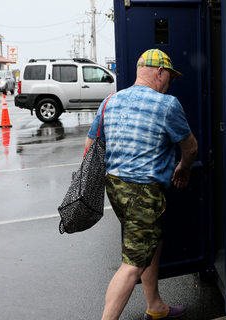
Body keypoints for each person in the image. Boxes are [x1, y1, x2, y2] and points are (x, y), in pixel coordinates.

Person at [85, 49, 198, 320]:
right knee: (132, 264)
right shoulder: (167, 104)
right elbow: (191, 148)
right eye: (169, 77)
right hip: (143, 193)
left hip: (115, 188)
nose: (170, 83)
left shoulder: (111, 100)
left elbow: (90, 146)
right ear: (159, 72)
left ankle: (155, 305)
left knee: (149, 242)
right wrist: (184, 168)